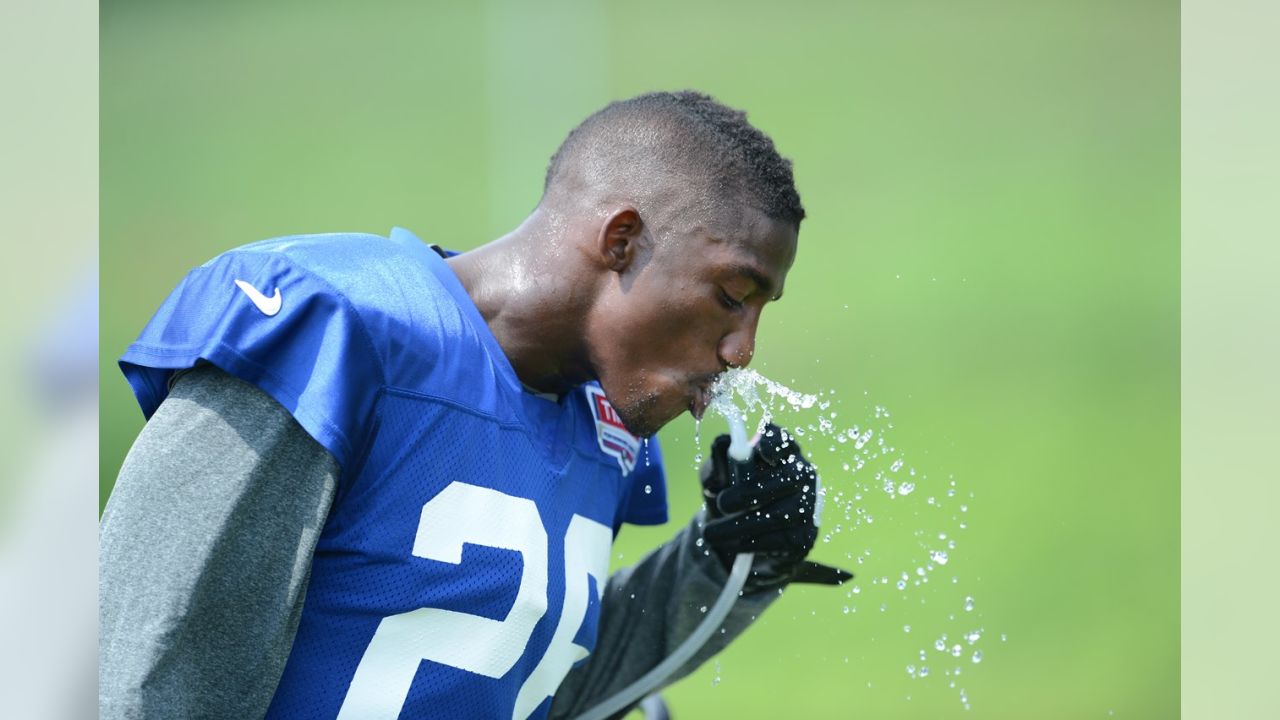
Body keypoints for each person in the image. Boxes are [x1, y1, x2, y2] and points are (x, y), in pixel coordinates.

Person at [99, 90, 849, 720]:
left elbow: (533, 687)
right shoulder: (333, 334)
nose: (743, 349)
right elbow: (147, 671)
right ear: (622, 240)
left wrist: (722, 566)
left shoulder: (607, 428)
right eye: (730, 296)